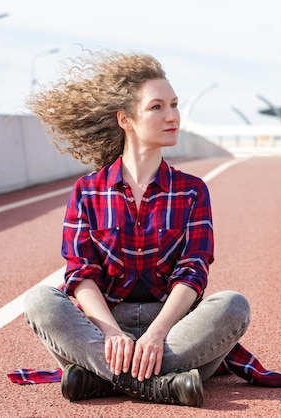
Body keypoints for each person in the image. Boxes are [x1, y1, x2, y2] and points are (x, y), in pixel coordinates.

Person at [23, 50, 251, 407]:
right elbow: (81, 273)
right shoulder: (88, 191)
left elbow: (194, 272)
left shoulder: (192, 190)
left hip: (174, 328)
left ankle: (100, 378)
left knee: (234, 306)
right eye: (157, 107)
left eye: (174, 104)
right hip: (104, 328)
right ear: (125, 120)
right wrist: (111, 334)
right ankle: (161, 385)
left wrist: (157, 333)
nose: (172, 115)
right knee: (40, 301)